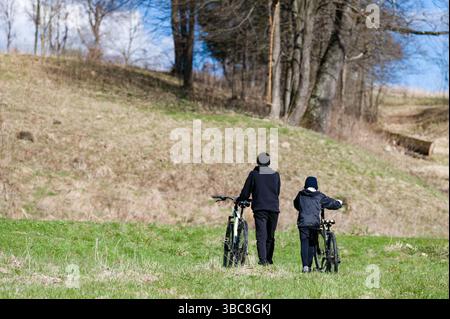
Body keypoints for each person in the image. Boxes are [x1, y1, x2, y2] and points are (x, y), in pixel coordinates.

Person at [237, 152, 281, 266]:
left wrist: (241, 199)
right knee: (270, 235)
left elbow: (246, 191)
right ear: (269, 162)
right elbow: (277, 191)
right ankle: (269, 259)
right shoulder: (276, 175)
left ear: (258, 162)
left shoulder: (254, 174)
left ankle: (263, 260)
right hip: (274, 208)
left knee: (261, 235)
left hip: (260, 208)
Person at [293, 176, 342, 273]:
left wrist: (303, 209)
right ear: (316, 186)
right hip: (314, 224)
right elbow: (331, 203)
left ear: (305, 185)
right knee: (312, 244)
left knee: (304, 244)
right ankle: (309, 267)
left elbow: (296, 204)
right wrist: (339, 203)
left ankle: (305, 266)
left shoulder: (300, 195)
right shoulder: (319, 196)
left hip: (303, 223)